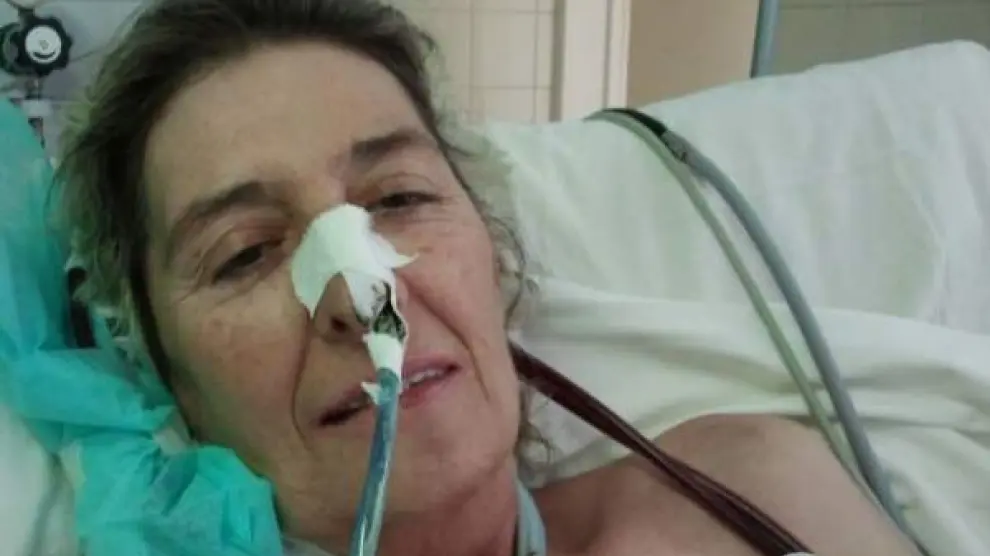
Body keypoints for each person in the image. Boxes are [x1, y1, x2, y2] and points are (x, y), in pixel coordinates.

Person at [54, 1, 922, 555]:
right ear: (166, 380)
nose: (362, 296)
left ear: (493, 258)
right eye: (245, 253)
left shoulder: (747, 489)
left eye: (399, 197)